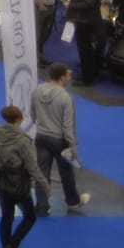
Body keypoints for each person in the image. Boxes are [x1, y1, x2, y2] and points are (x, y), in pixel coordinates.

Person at [0, 103, 47, 248]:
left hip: (2, 184)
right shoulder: (23, 141)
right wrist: (44, 184)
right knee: (30, 217)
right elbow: (32, 166)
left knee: (6, 218)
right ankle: (12, 247)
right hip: (20, 186)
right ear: (19, 119)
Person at [30, 63, 87, 213]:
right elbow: (68, 126)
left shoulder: (37, 91)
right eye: (68, 75)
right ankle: (73, 202)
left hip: (41, 137)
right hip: (59, 141)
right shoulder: (65, 97)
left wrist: (42, 125)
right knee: (66, 172)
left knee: (42, 173)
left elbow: (32, 114)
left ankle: (42, 206)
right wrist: (73, 146)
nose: (69, 77)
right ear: (62, 78)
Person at [66, 0, 106, 84]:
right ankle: (87, 74)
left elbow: (88, 4)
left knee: (86, 51)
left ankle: (87, 79)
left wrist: (71, 5)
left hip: (87, 24)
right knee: (84, 51)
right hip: (82, 21)